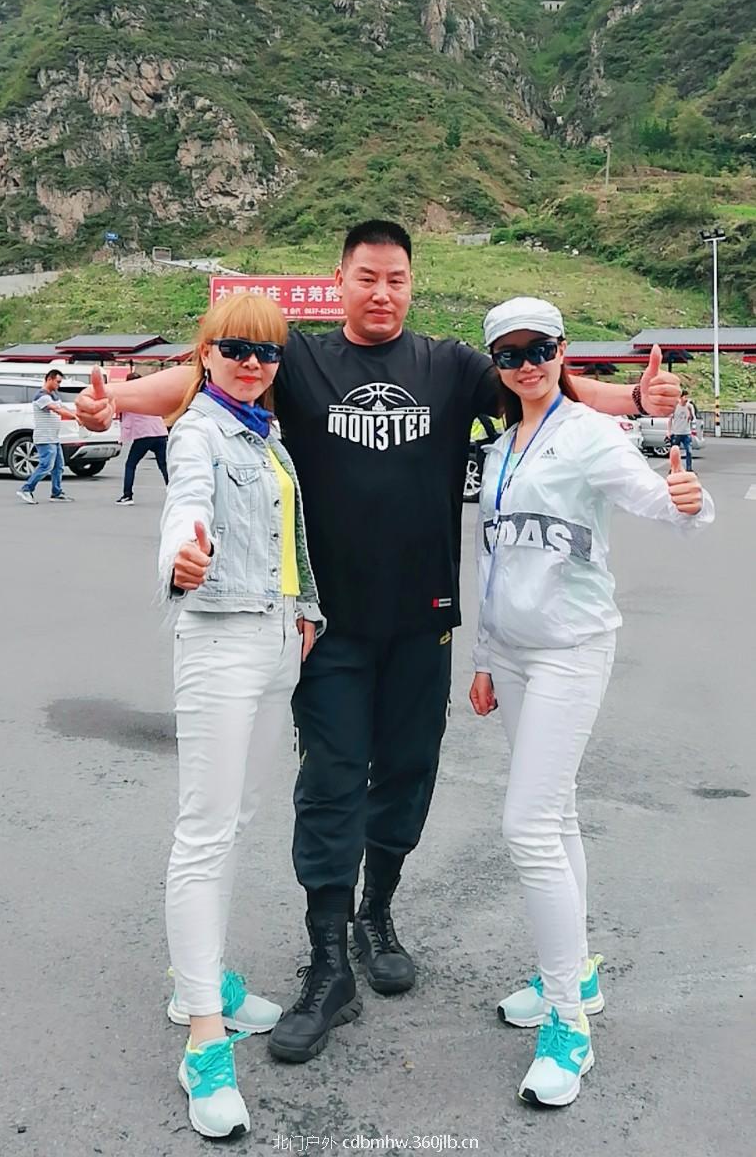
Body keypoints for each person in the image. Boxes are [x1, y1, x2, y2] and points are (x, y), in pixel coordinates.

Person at [76, 221, 683, 1064]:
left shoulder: (449, 366)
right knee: (330, 783)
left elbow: (543, 385)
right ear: (339, 280)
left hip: (422, 621)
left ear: (410, 283)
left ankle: (377, 913)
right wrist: (117, 398)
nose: (381, 292)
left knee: (405, 774)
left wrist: (638, 403)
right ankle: (327, 960)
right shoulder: (301, 359)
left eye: (395, 278)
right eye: (366, 277)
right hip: (328, 627)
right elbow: (202, 373)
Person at [469, 297, 713, 1109]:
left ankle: (567, 1025)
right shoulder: (499, 447)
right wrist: (483, 658)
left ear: (561, 350)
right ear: (496, 366)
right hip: (511, 655)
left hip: (571, 649)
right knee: (558, 814)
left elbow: (660, 502)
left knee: (527, 826)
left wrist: (688, 501)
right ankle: (570, 976)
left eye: (537, 348)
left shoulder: (588, 434)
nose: (525, 365)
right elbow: (492, 558)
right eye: (508, 355)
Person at [158, 293, 325, 1139]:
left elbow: (289, 540)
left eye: (267, 353)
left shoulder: (267, 436)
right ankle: (202, 1038)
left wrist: (305, 611)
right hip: (220, 636)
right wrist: (181, 558)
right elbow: (185, 508)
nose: (253, 364)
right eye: (235, 349)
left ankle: (207, 977)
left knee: (239, 819)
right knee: (204, 831)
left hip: (273, 640)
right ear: (206, 354)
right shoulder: (199, 431)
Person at [16, 368, 78, 504]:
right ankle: (26, 489)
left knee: (58, 467)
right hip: (44, 438)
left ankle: (56, 493)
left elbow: (63, 408)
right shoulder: (42, 396)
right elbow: (57, 409)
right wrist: (75, 417)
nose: (59, 385)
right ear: (49, 379)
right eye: (57, 382)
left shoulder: (54, 396)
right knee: (46, 466)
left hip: (53, 437)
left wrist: (78, 415)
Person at [116, 374, 169, 503]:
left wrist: (122, 439)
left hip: (144, 434)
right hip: (160, 432)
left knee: (130, 464)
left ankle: (127, 495)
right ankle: (174, 492)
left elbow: (126, 420)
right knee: (164, 465)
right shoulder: (151, 394)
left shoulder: (128, 398)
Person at [668, 387, 695, 472]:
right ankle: (673, 469)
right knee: (674, 453)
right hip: (676, 432)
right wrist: (669, 431)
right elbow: (670, 419)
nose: (686, 399)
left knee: (689, 451)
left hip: (686, 433)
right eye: (685, 397)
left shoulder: (690, 406)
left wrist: (690, 411)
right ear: (681, 397)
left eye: (688, 397)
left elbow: (691, 419)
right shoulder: (676, 406)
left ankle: (689, 469)